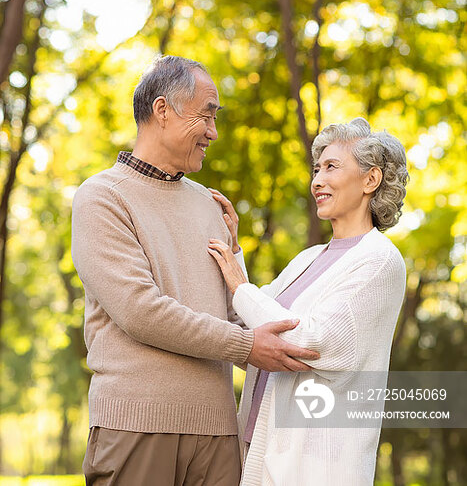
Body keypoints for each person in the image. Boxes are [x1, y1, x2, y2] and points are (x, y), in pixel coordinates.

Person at [71, 55, 320, 486]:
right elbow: (140, 310)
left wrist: (236, 253)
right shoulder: (102, 197)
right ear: (162, 110)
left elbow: (235, 315)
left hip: (219, 434)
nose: (213, 132)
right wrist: (246, 347)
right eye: (206, 115)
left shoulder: (210, 204)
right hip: (137, 426)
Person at [208, 117, 408, 486]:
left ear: (370, 180)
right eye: (316, 169)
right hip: (259, 450)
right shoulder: (310, 257)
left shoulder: (380, 261)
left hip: (318, 465)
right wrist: (234, 251)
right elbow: (248, 319)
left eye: (331, 167)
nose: (317, 180)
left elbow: (309, 343)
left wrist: (240, 286)